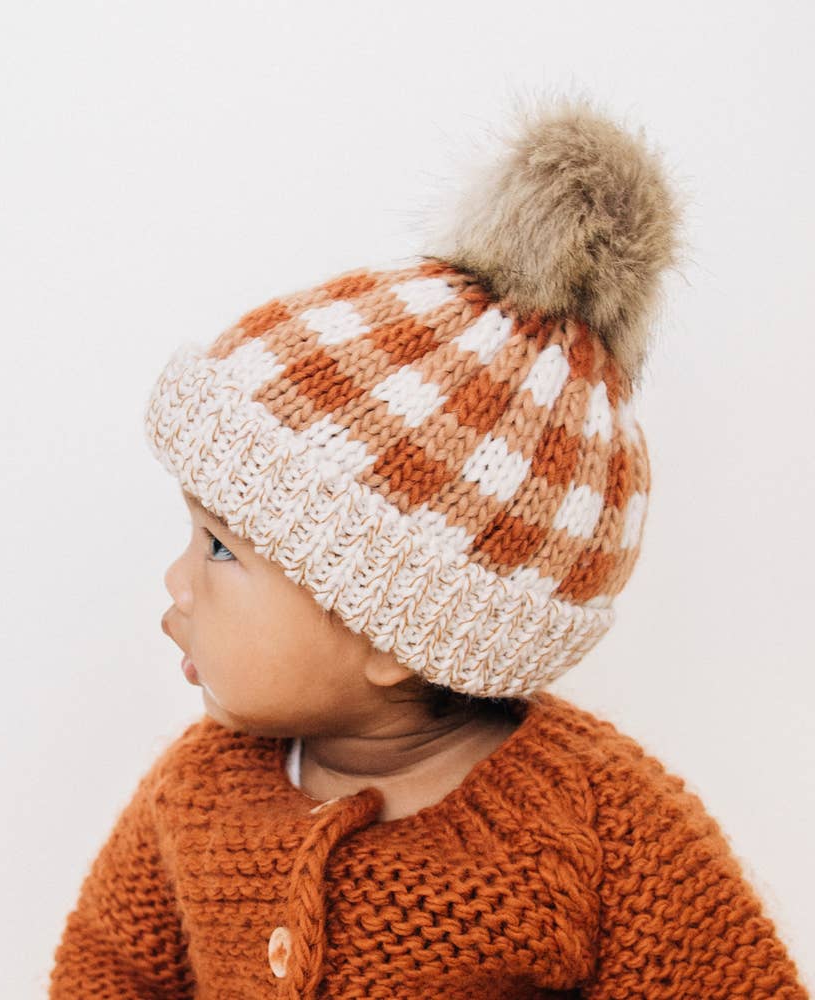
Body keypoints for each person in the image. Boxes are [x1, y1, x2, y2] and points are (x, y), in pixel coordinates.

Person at [48, 95, 809, 998]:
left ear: (390, 628)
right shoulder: (198, 790)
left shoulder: (599, 826)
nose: (177, 581)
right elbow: (109, 969)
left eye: (220, 550)